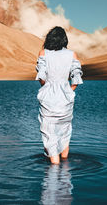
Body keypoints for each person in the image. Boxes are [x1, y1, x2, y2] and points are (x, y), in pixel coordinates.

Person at [35, 26, 83, 164]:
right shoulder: (72, 54)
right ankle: (65, 173)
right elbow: (76, 78)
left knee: (50, 135)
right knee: (64, 132)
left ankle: (54, 172)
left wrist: (47, 88)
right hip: (66, 98)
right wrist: (68, 90)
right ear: (64, 39)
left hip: (48, 98)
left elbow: (42, 77)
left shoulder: (43, 53)